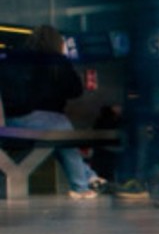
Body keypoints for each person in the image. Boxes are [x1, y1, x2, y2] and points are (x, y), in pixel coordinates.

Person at [0, 25, 107, 199]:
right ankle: (81, 186)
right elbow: (75, 90)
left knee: (58, 139)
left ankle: (90, 177)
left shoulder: (13, 59)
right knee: (63, 133)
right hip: (42, 119)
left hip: (11, 121)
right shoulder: (56, 61)